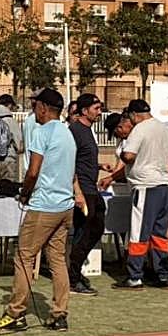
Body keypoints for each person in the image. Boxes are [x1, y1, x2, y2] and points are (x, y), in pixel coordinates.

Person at [0, 88, 84, 331]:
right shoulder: (67, 134)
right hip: (65, 207)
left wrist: (25, 192)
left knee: (23, 256)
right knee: (57, 260)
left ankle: (16, 312)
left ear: (43, 107)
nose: (34, 110)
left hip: (44, 205)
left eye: (35, 106)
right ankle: (59, 313)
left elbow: (33, 170)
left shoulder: (42, 132)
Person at [114, 98, 168, 289]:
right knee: (159, 234)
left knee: (139, 233)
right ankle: (163, 274)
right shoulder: (163, 129)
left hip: (146, 187)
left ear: (134, 115)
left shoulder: (140, 129)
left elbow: (129, 155)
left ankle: (135, 276)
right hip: (164, 186)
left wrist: (123, 155)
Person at [67, 93, 105, 295]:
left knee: (97, 228)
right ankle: (72, 279)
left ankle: (75, 271)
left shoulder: (88, 131)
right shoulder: (75, 131)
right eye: (96, 109)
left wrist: (99, 165)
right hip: (82, 189)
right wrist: (77, 192)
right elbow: (70, 161)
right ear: (84, 111)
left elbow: (84, 158)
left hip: (91, 187)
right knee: (84, 232)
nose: (99, 112)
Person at [0, 94, 24, 184]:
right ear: (9, 105)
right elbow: (19, 145)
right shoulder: (10, 120)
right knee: (7, 189)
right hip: (8, 160)